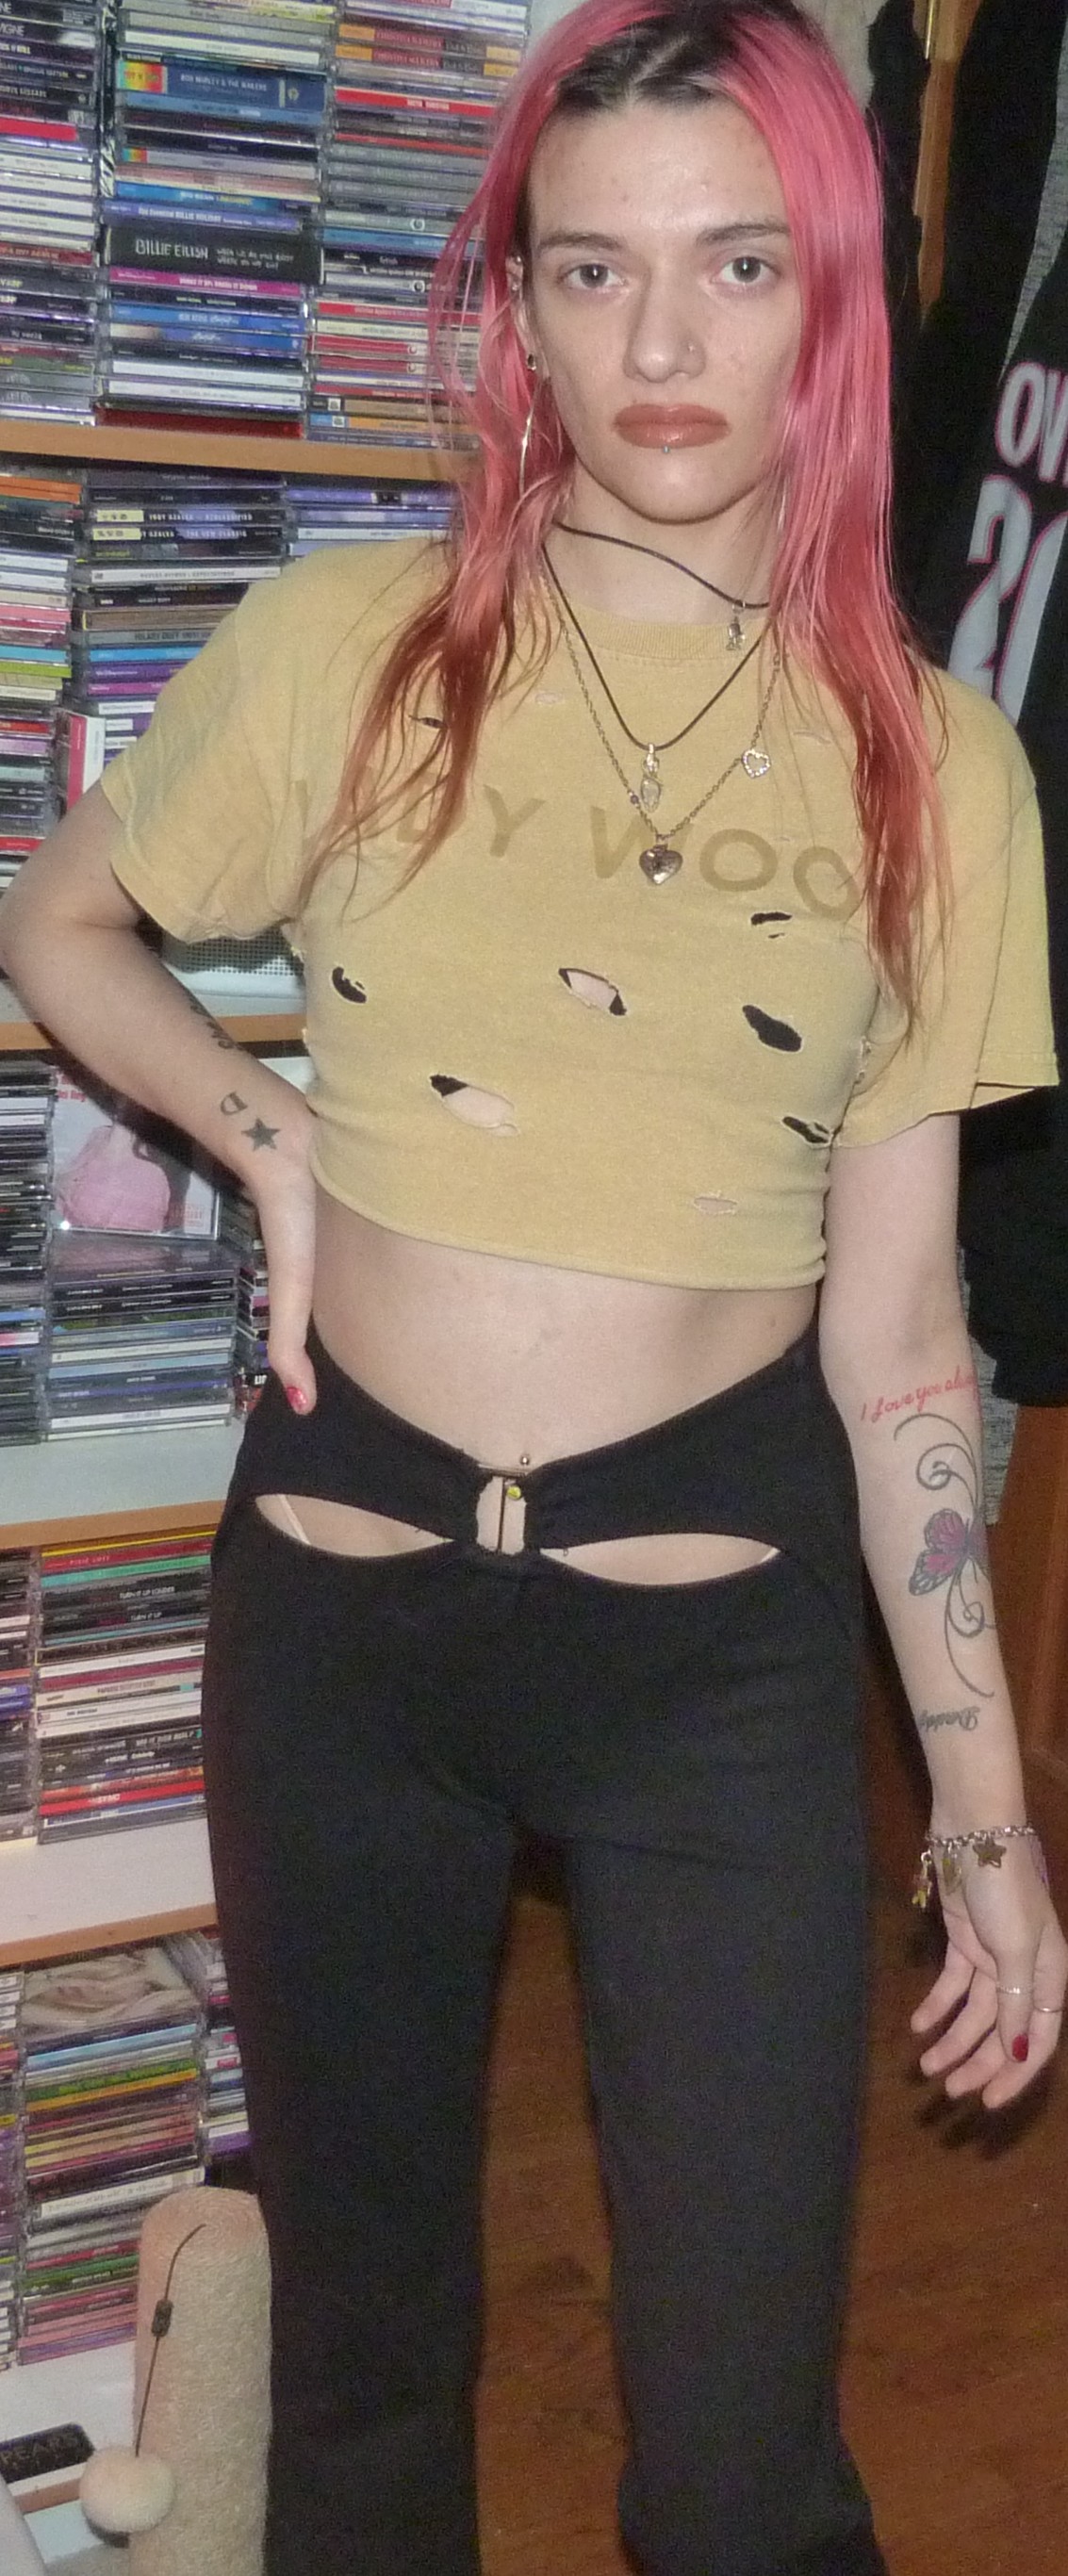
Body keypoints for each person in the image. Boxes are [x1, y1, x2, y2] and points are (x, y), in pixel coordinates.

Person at [1, 4, 1065, 2569]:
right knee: (368, 2381)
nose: (662, 340)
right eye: (593, 270)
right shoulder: (354, 646)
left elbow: (901, 1332)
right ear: (520, 309)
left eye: (735, 265)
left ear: (833, 300)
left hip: (714, 1658)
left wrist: (986, 1808)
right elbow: (67, 920)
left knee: (740, 2461)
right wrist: (264, 1138)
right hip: (341, 1617)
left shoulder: (936, 765)